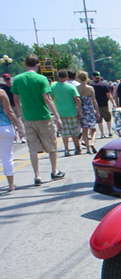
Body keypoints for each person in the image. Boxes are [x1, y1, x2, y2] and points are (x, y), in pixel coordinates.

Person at [11, 55, 64, 185]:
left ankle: (37, 176)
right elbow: (47, 98)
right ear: (38, 64)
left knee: (33, 149)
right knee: (51, 146)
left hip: (27, 118)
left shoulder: (17, 79)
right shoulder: (42, 79)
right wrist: (57, 116)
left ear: (25, 64)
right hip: (43, 117)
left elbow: (16, 101)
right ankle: (54, 171)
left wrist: (20, 117)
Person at [51, 70, 82, 156]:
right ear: (66, 77)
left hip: (60, 113)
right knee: (74, 132)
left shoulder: (53, 87)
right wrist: (79, 111)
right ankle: (77, 148)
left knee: (64, 133)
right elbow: (78, 100)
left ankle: (66, 150)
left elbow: (50, 99)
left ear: (58, 76)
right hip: (72, 112)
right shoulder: (71, 87)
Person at [0, 88, 24, 192]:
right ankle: (10, 185)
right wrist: (19, 125)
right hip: (4, 127)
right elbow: (9, 111)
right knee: (7, 157)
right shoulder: (1, 92)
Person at [76, 71, 101, 154]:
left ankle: (87, 149)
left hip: (81, 110)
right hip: (90, 109)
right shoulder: (90, 88)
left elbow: (76, 101)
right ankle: (92, 143)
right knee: (93, 129)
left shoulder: (77, 88)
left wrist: (78, 112)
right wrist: (97, 111)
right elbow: (94, 100)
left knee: (84, 130)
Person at [1, 74, 25, 143]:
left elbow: (19, 96)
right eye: (6, 79)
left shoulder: (14, 86)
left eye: (8, 79)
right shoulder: (3, 88)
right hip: (7, 106)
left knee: (19, 121)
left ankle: (22, 136)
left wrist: (19, 105)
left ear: (10, 78)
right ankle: (14, 138)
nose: (7, 80)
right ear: (4, 80)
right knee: (11, 122)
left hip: (15, 105)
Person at [91, 71, 114, 137]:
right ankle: (109, 132)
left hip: (96, 106)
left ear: (92, 77)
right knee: (108, 118)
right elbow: (109, 95)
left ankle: (102, 134)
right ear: (99, 76)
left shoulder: (91, 85)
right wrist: (113, 103)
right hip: (105, 105)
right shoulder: (104, 84)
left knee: (99, 120)